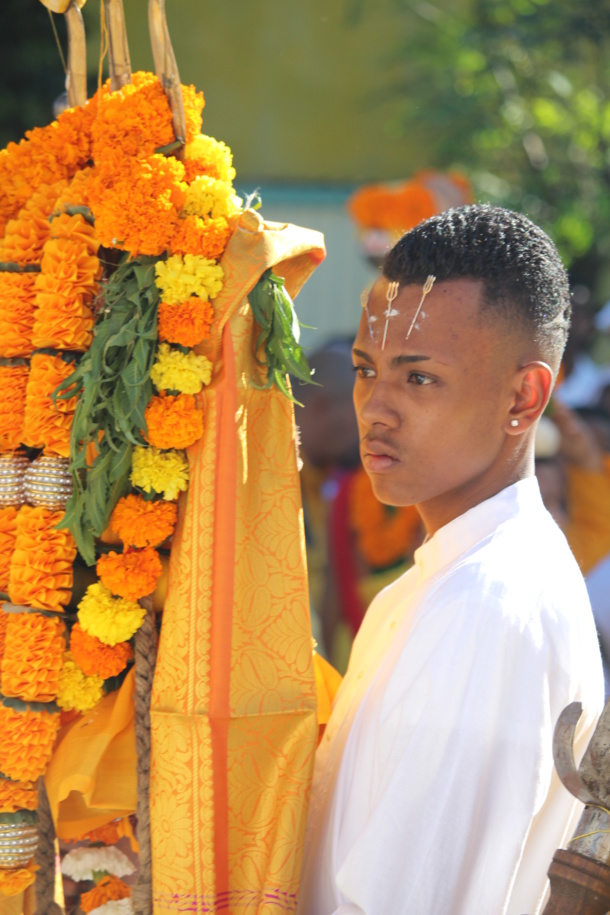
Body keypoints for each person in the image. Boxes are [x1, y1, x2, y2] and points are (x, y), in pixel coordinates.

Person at [297, 204, 604, 915]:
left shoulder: (488, 603)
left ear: (523, 398)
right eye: (367, 371)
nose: (375, 407)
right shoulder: (450, 577)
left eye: (419, 378)